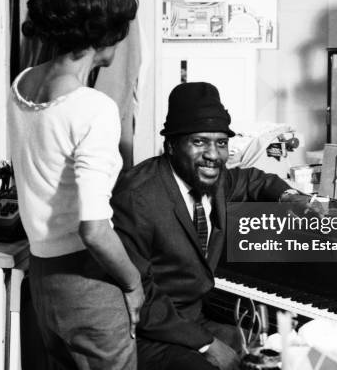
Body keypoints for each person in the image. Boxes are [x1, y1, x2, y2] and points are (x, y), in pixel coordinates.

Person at [111, 82, 320, 370]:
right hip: (148, 332)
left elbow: (253, 179)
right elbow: (139, 296)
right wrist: (206, 343)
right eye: (199, 142)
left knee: (274, 352)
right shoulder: (137, 198)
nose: (213, 154)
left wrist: (290, 196)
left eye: (221, 143)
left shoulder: (214, 178)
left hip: (192, 318)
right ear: (170, 145)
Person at [8, 0, 144, 370]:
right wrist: (133, 283)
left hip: (43, 279)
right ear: (107, 34)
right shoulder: (94, 108)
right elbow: (95, 229)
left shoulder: (22, 85)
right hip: (88, 280)